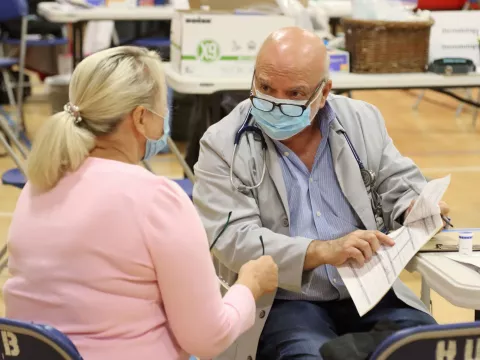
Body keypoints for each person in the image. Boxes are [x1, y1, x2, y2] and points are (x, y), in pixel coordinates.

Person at [3, 46, 279, 360]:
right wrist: (249, 286)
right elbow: (208, 338)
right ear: (140, 117)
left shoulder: (39, 184)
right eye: (164, 110)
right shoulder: (156, 199)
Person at [193, 27, 451, 360]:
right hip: (285, 301)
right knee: (308, 355)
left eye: (295, 93)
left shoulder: (361, 120)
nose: (276, 103)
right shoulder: (222, 143)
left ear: (324, 91)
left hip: (369, 290)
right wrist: (321, 251)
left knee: (423, 348)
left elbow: (397, 181)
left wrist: (414, 206)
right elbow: (234, 240)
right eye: (266, 87)